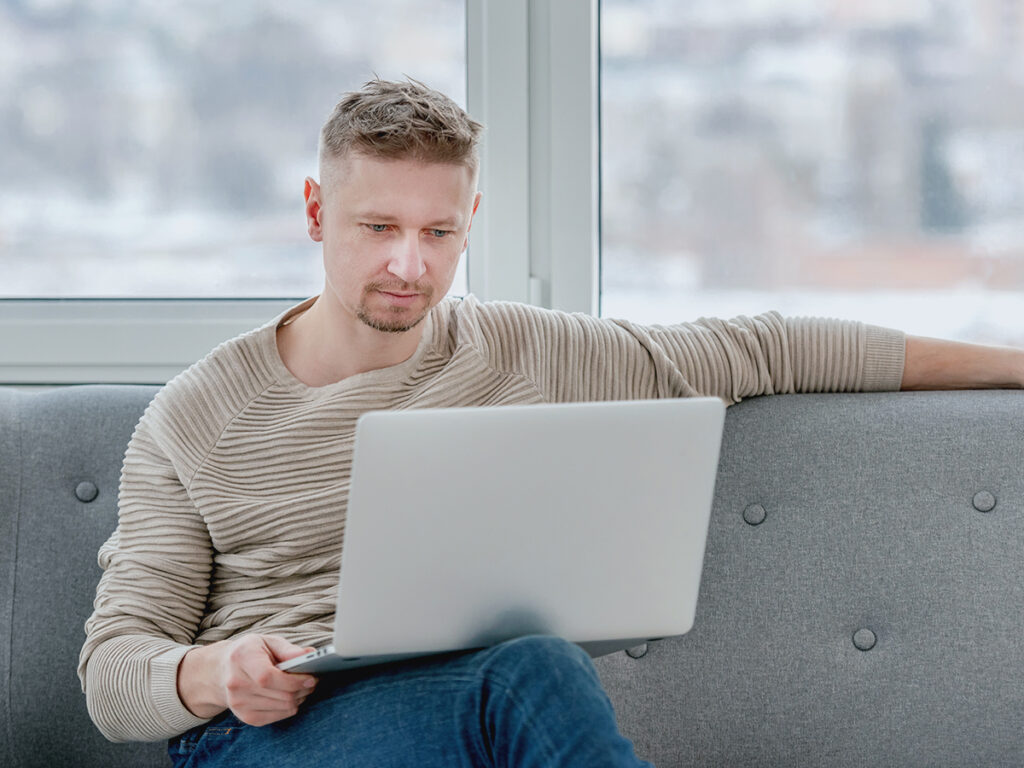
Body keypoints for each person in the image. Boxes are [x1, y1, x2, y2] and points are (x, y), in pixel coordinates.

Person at [78, 78, 1024, 767]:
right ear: (318, 213)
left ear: (471, 218)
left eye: (439, 233)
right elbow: (113, 672)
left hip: (475, 707)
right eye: (378, 228)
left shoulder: (523, 351)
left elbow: (767, 349)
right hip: (274, 737)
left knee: (529, 668)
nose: (411, 265)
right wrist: (216, 673)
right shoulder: (194, 416)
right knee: (529, 675)